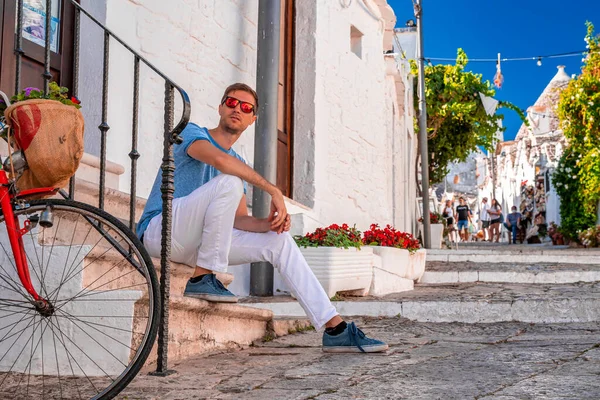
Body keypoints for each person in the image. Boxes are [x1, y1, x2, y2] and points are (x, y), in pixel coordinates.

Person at [137, 83, 387, 353]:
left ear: (252, 119)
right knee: (230, 181)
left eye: (246, 108)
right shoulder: (192, 133)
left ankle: (334, 328)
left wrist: (268, 225)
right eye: (232, 103)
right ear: (221, 107)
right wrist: (272, 189)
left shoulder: (236, 160)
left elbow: (239, 219)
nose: (237, 109)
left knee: (278, 241)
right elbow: (220, 162)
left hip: (195, 245)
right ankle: (201, 280)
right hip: (160, 231)